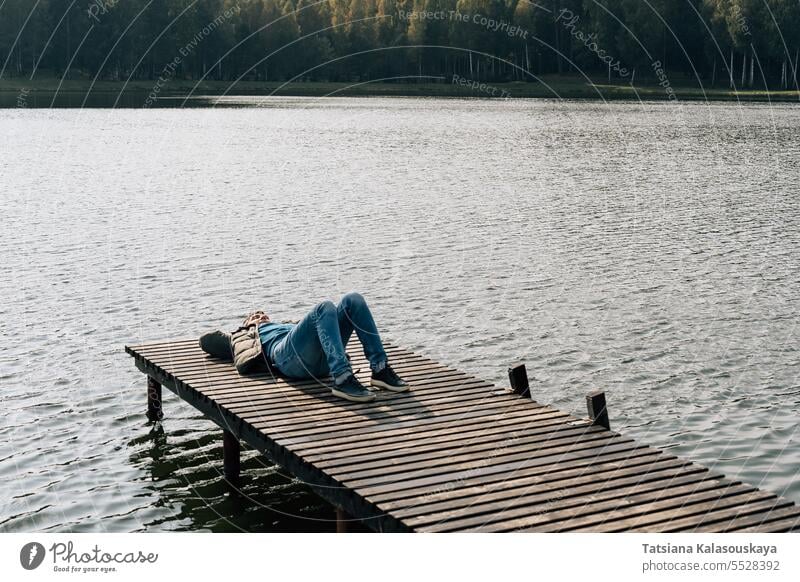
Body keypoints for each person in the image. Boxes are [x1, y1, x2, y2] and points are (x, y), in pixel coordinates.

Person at [204, 292, 408, 403]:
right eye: (255, 315)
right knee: (324, 306)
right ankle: (343, 379)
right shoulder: (244, 337)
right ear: (248, 321)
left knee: (352, 300)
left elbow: (321, 326)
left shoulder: (288, 324)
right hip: (286, 358)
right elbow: (206, 340)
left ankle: (380, 369)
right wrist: (246, 327)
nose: (261, 315)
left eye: (263, 313)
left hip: (319, 358)